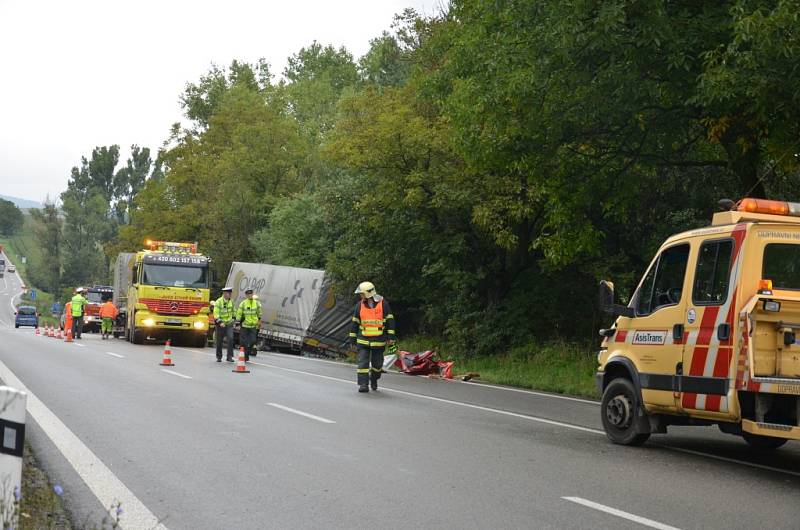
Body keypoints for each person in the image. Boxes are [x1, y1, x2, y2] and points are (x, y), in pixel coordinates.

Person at [349, 281, 396, 393]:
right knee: (363, 363)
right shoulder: (359, 305)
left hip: (378, 341)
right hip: (363, 340)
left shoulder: (383, 304)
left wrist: (391, 337)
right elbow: (355, 322)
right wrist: (352, 339)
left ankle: (374, 378)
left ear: (368, 293)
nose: (360, 296)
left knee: (377, 365)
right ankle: (363, 385)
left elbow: (390, 320)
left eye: (362, 293)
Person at [236, 288, 262, 362]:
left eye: (251, 294)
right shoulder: (243, 303)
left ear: (252, 294)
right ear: (246, 295)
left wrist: (259, 321)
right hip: (244, 326)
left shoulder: (256, 303)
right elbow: (239, 314)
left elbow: (259, 312)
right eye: (248, 294)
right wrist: (238, 324)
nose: (250, 295)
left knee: (253, 341)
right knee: (243, 342)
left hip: (253, 326)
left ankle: (247, 353)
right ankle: (245, 356)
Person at [213, 287, 236, 362]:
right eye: (228, 293)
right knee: (219, 341)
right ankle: (219, 357)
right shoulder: (218, 302)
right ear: (224, 294)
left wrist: (234, 320)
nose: (230, 295)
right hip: (220, 325)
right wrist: (220, 322)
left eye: (230, 293)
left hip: (229, 324)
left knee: (231, 339)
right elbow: (216, 314)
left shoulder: (231, 302)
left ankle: (229, 356)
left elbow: (234, 312)